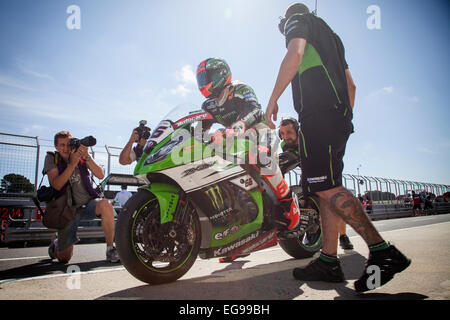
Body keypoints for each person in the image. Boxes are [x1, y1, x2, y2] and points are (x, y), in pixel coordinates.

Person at [265, 3, 410, 292]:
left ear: (288, 18)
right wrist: (342, 118)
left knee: (327, 188)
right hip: (338, 117)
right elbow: (351, 86)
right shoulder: (333, 37)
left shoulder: (299, 21)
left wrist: (273, 100)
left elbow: (293, 55)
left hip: (319, 116)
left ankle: (382, 251)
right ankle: (329, 261)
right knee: (325, 188)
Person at [196, 58, 301, 262]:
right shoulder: (207, 104)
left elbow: (255, 110)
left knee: (260, 157)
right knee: (223, 179)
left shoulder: (240, 88)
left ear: (221, 74)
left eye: (206, 76)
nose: (203, 82)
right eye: (201, 78)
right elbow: (201, 126)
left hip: (260, 133)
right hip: (233, 141)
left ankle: (289, 204)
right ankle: (239, 241)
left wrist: (239, 126)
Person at [45, 131, 119, 263]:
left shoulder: (80, 157)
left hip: (87, 204)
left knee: (105, 204)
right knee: (64, 258)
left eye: (69, 144)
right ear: (56, 146)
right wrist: (72, 164)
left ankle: (110, 248)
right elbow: (56, 185)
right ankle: (56, 243)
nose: (66, 148)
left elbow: (101, 175)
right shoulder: (52, 158)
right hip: (67, 210)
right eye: (62, 145)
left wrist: (87, 156)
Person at [279, 118, 353, 250]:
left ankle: (343, 236)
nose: (285, 137)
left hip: (326, 167)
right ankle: (309, 229)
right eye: (282, 133)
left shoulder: (308, 137)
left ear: (297, 130)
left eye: (289, 132)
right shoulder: (285, 144)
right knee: (305, 196)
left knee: (335, 201)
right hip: (307, 171)